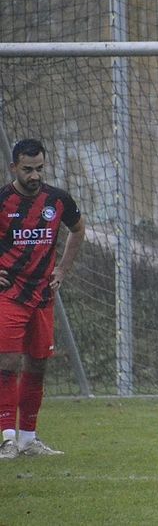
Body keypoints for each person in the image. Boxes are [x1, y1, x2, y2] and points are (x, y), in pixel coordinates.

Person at [0, 139, 85, 460]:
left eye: (39, 169)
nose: (34, 176)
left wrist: (62, 269)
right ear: (13, 168)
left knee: (37, 366)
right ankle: (7, 438)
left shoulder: (58, 200)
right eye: (27, 170)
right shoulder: (3, 201)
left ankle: (28, 439)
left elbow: (78, 230)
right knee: (7, 362)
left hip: (43, 297)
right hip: (9, 294)